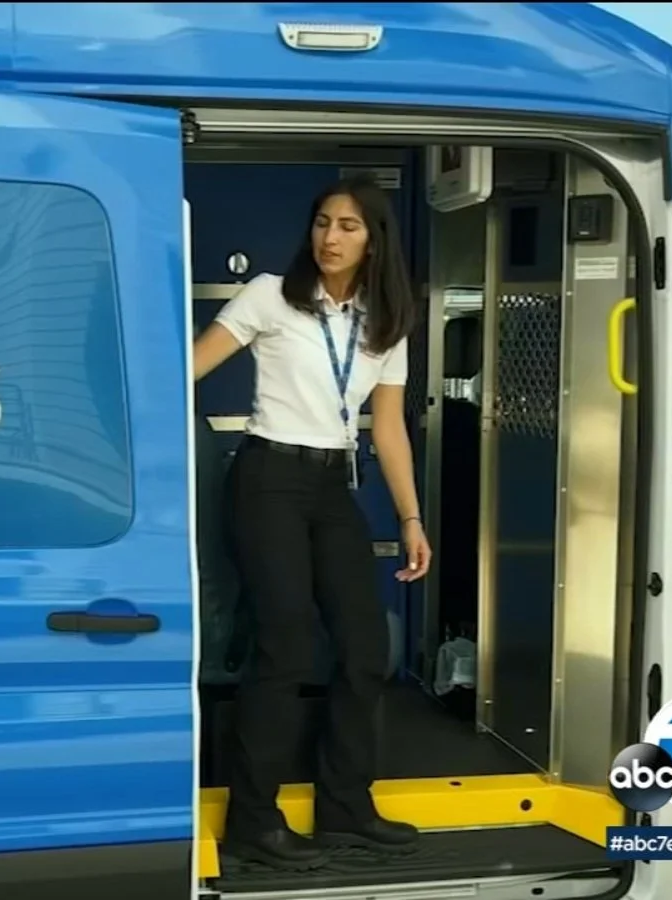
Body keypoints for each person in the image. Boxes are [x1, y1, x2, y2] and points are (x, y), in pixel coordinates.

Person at [192, 174, 432, 870]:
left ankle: (345, 807)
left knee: (364, 649)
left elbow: (387, 427)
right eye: (323, 223)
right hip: (267, 476)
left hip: (333, 483)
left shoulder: (387, 320)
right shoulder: (271, 293)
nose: (330, 237)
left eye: (348, 226)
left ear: (374, 239)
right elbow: (188, 370)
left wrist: (411, 518)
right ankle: (253, 823)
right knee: (286, 647)